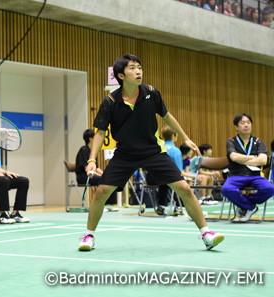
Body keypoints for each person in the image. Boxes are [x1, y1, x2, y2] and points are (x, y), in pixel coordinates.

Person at [77, 54, 224, 252]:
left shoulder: (151, 93)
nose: (138, 71)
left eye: (139, 67)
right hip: (125, 153)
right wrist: (92, 159)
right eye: (132, 68)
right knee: (102, 192)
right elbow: (100, 132)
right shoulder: (110, 101)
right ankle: (89, 236)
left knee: (184, 188)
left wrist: (186, 137)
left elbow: (167, 116)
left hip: (153, 151)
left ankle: (206, 233)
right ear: (121, 75)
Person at [221, 113, 274, 222]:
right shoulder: (231, 142)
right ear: (236, 127)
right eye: (242, 123)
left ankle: (244, 206)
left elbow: (263, 160)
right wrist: (253, 157)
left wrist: (242, 158)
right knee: (226, 189)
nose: (246, 125)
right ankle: (251, 207)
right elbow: (234, 157)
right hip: (236, 175)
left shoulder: (259, 142)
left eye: (248, 123)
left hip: (255, 176)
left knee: (270, 188)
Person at [75, 129, 116, 206]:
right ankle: (105, 204)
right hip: (84, 177)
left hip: (92, 175)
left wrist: (105, 175)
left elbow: (96, 168)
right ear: (90, 138)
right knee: (103, 180)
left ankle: (110, 204)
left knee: (110, 179)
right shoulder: (83, 150)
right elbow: (87, 169)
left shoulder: (92, 151)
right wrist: (102, 177)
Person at [151, 126, 183, 215]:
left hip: (151, 179)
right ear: (174, 135)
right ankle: (178, 207)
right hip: (169, 179)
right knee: (179, 182)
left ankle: (161, 206)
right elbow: (179, 171)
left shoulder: (157, 148)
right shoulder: (176, 151)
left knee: (164, 182)